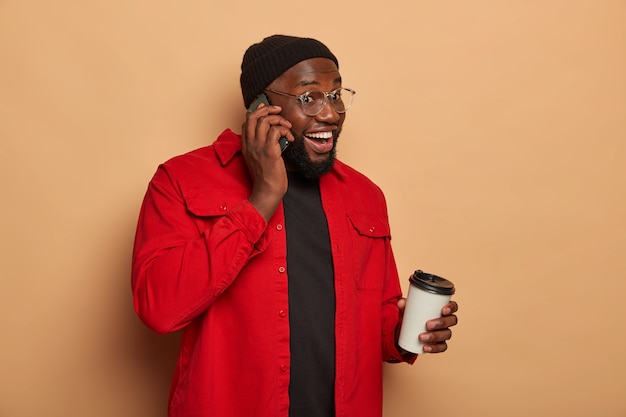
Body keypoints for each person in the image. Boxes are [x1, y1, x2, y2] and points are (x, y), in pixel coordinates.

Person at [131, 34, 459, 417]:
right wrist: (262, 198)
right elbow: (159, 309)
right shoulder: (181, 180)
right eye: (309, 97)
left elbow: (374, 321)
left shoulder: (365, 195)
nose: (331, 114)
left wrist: (410, 333)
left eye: (336, 95)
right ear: (261, 108)